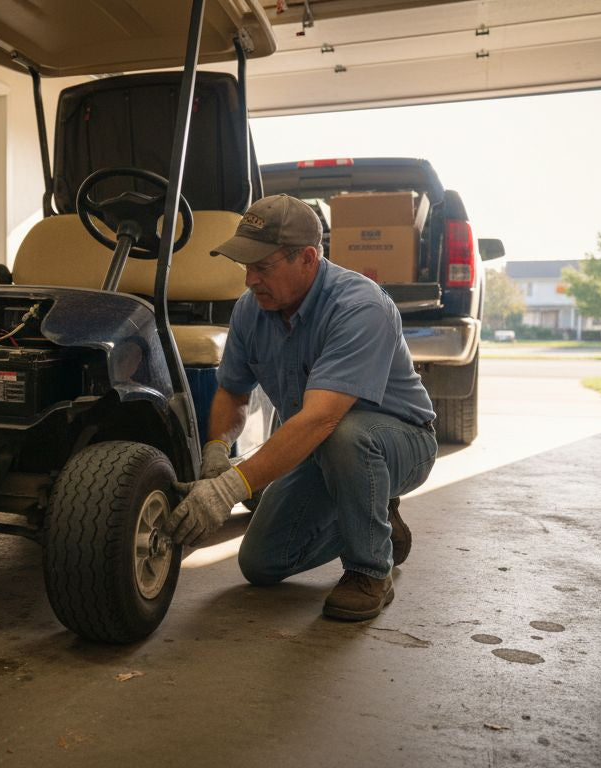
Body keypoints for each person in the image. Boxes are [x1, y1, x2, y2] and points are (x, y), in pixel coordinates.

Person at [164, 194, 439, 621]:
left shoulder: (359, 308)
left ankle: (370, 570)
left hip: (400, 442)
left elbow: (322, 418)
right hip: (321, 446)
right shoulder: (250, 311)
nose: (250, 279)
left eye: (263, 266)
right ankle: (373, 514)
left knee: (346, 434)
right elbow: (233, 393)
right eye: (245, 266)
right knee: (262, 563)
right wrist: (217, 453)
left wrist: (229, 490)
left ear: (308, 258)